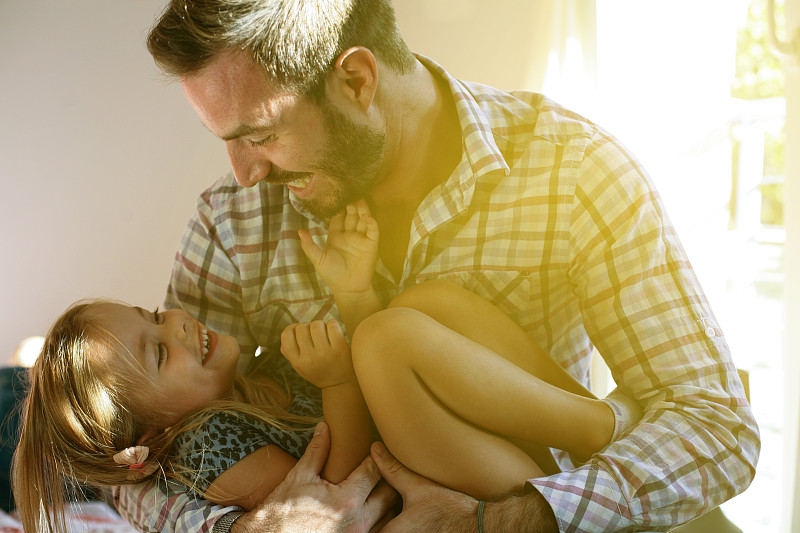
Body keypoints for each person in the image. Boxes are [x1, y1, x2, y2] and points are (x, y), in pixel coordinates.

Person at [117, 0, 760, 531]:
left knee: (408, 321)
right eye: (228, 143)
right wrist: (246, 528)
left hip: (547, 488)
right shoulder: (235, 221)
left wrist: (513, 519)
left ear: (358, 81)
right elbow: (134, 454)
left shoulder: (573, 171)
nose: (246, 172)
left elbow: (718, 426)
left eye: (260, 135)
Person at [12, 201, 633, 533]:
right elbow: (341, 492)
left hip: (479, 455)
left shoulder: (254, 374)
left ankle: (587, 416)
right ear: (144, 444)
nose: (176, 323)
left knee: (426, 304)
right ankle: (604, 431)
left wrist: (354, 291)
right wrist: (337, 378)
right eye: (159, 350)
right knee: (388, 338)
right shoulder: (204, 447)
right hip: (464, 493)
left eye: (153, 314)